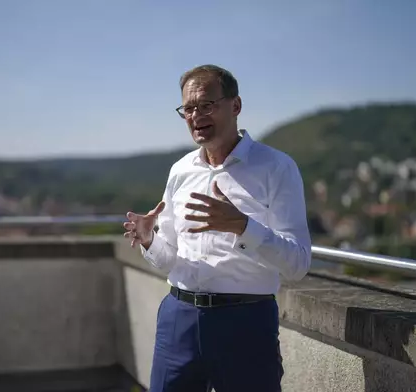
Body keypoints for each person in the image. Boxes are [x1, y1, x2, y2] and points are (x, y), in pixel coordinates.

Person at [123, 64, 311, 392]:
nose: (196, 115)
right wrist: (149, 240)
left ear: (235, 106)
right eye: (188, 108)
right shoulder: (180, 170)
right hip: (178, 318)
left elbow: (297, 264)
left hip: (245, 322)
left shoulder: (277, 167)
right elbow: (169, 261)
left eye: (207, 105)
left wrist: (242, 226)